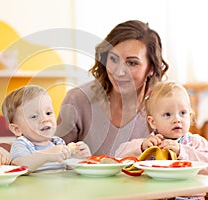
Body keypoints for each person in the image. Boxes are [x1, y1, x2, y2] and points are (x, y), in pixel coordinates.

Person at [56, 20, 169, 156]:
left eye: (132, 63)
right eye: (114, 59)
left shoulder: (165, 106)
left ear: (151, 68)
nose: (119, 72)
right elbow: (55, 160)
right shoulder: (78, 99)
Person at [116, 81, 208, 174]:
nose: (177, 119)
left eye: (182, 113)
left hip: (190, 189)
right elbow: (119, 154)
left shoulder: (196, 143)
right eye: (167, 114)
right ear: (153, 122)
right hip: (157, 189)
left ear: (190, 117)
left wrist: (182, 151)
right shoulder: (150, 144)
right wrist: (141, 147)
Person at [1, 85, 91, 173]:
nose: (45, 119)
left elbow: (68, 168)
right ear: (17, 129)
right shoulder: (22, 144)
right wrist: (47, 155)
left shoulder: (57, 142)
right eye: (34, 116)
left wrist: (79, 157)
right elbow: (20, 166)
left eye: (48, 113)